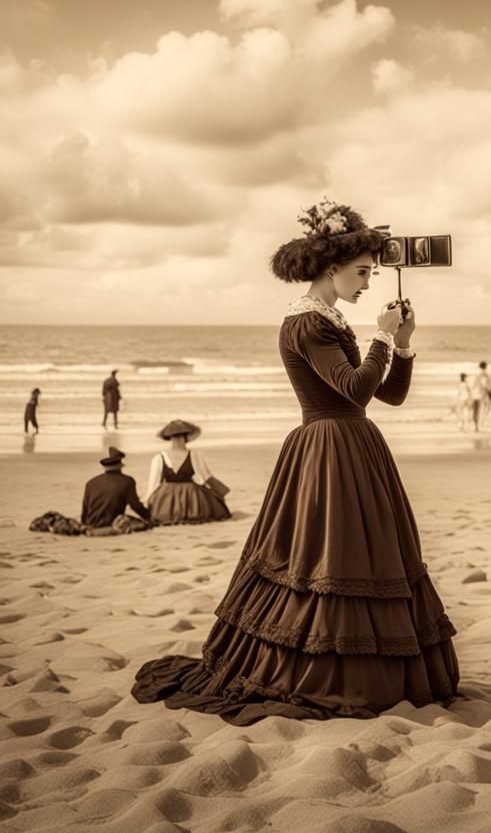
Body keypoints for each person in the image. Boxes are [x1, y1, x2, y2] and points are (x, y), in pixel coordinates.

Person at [133, 200, 458, 723]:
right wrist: (378, 335)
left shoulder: (329, 321)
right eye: (361, 272)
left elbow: (387, 396)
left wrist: (402, 344)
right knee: (326, 562)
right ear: (331, 268)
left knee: (369, 558)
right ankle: (328, 670)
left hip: (357, 450)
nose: (369, 282)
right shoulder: (307, 324)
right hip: (326, 453)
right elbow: (353, 389)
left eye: (372, 272)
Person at [144, 419, 231, 525]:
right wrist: (220, 491)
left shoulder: (159, 457)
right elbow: (206, 476)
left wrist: (147, 500)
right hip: (190, 494)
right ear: (186, 437)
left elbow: (154, 484)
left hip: (166, 496)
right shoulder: (195, 454)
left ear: (170, 438)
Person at [82, 447, 151, 528]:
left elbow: (85, 510)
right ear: (120, 466)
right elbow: (135, 506)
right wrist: (149, 517)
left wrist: (84, 525)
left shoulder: (90, 483)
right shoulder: (127, 481)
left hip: (91, 524)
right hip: (113, 523)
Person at [470, 361, 491, 432]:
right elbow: (484, 385)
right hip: (482, 394)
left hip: (475, 393)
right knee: (485, 408)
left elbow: (473, 385)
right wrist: (490, 391)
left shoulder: (477, 374)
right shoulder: (485, 374)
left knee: (476, 409)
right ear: (486, 367)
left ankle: (477, 425)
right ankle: (480, 423)